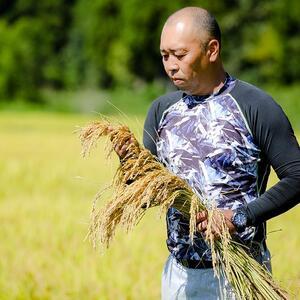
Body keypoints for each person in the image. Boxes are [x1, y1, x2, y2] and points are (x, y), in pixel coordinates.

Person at [116, 6, 300, 300]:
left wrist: (240, 217)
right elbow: (145, 197)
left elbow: (297, 177)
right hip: (179, 277)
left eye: (179, 54)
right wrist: (128, 163)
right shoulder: (161, 112)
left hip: (240, 275)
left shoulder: (256, 107)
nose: (171, 65)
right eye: (165, 56)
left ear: (212, 49)